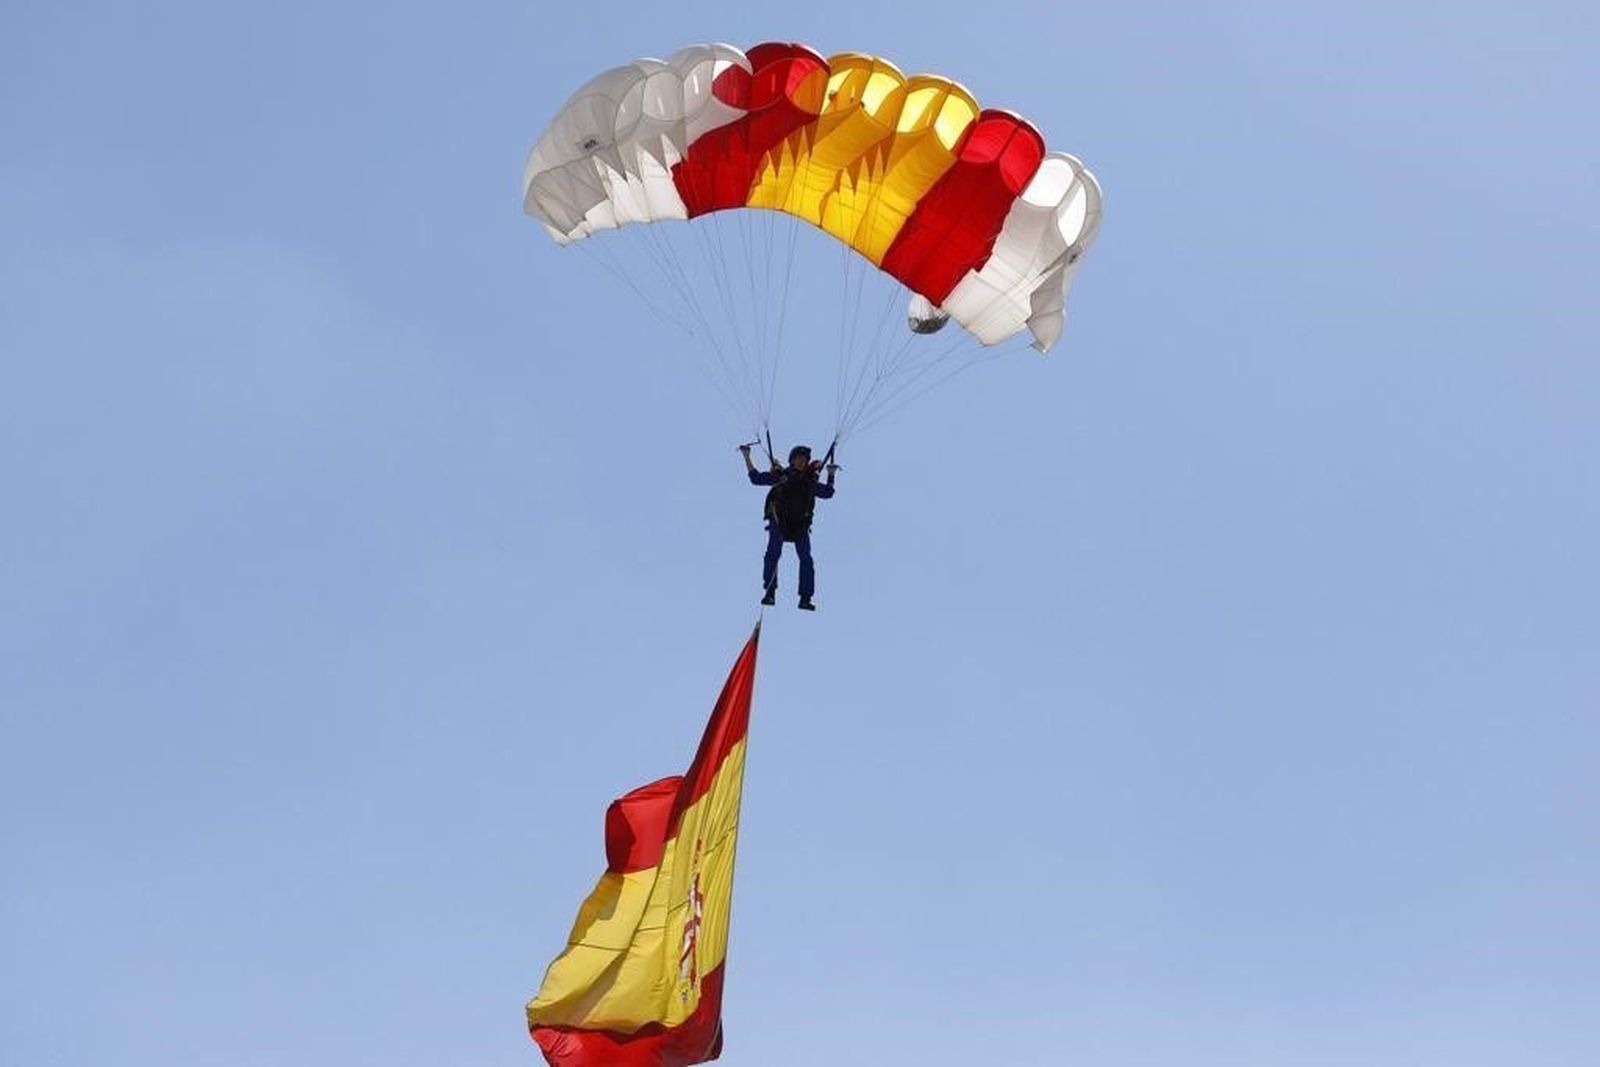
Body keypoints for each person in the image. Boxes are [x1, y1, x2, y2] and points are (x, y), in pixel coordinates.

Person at [739, 443, 837, 610]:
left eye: (805, 459)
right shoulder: (781, 476)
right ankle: (770, 592)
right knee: (773, 554)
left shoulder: (809, 481)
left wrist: (831, 475)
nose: (801, 462)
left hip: (800, 526)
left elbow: (828, 493)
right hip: (780, 523)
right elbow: (755, 478)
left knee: (806, 559)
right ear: (792, 460)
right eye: (798, 459)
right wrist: (747, 456)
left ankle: (805, 598)